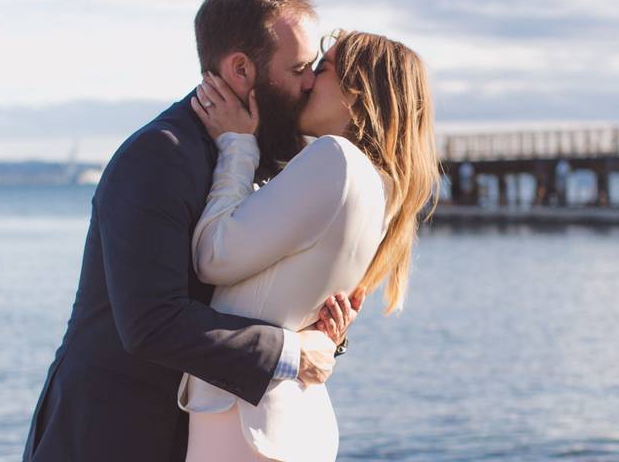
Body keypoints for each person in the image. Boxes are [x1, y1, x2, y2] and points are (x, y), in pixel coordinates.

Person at [22, 0, 363, 462]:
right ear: (242, 70)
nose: (311, 82)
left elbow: (261, 291)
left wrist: (326, 327)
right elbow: (151, 323)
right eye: (300, 68)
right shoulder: (160, 156)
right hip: (111, 435)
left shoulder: (272, 158)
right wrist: (291, 353)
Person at [181, 30, 440, 461]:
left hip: (243, 422)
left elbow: (212, 256)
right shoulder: (384, 188)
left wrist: (237, 147)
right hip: (291, 420)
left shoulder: (334, 159)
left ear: (357, 93)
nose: (307, 82)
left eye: (322, 70)